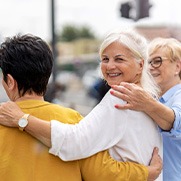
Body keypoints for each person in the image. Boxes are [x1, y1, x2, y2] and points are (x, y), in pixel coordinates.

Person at [0, 32, 162, 180]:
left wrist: (21, 119)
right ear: (47, 73)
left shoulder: (120, 98)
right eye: (105, 59)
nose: (110, 66)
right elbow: (101, 173)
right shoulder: (72, 119)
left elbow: (74, 141)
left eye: (119, 59)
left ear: (10, 82)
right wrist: (147, 172)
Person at [110, 37, 181, 181]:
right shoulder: (151, 98)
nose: (150, 67)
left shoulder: (176, 96)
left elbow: (176, 120)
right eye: (148, 62)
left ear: (178, 67)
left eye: (157, 61)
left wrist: (147, 103)